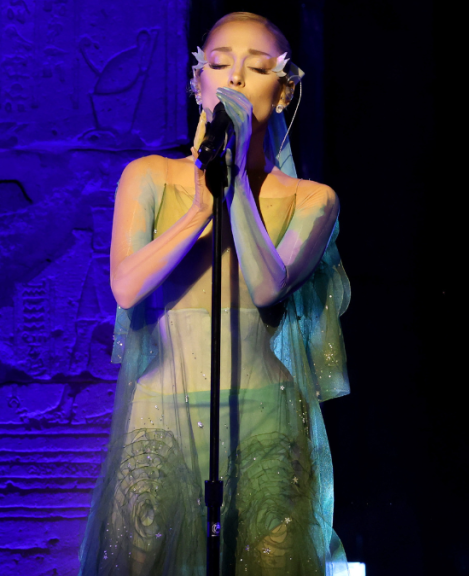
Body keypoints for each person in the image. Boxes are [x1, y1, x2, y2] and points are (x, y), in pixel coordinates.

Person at [78, 12, 351, 576]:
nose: (233, 80)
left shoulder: (313, 198)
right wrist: (201, 207)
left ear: (283, 92)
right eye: (219, 65)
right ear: (197, 82)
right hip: (161, 412)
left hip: (265, 414)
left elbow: (266, 283)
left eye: (254, 69)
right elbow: (126, 286)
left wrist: (234, 190)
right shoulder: (148, 177)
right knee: (142, 557)